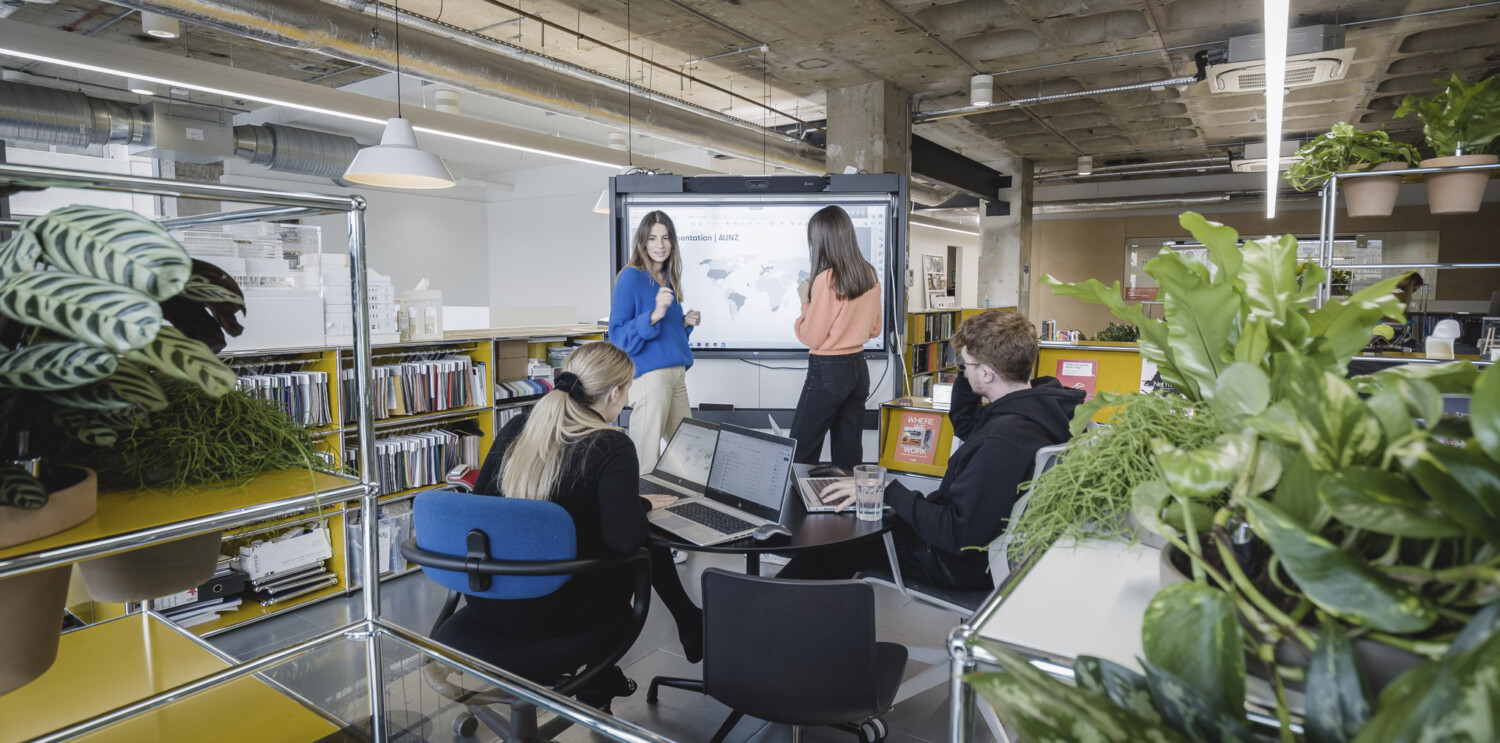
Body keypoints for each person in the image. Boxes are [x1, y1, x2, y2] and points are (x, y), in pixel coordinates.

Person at [777, 311, 1084, 590]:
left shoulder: (1002, 442)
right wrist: (970, 367)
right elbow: (966, 422)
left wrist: (888, 492)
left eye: (966, 364)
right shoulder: (1035, 407)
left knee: (836, 544)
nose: (962, 370)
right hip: (977, 544)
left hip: (956, 561)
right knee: (850, 525)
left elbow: (958, 534)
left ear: (988, 374)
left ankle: (766, 613)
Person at [470, 343, 705, 705]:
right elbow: (626, 541)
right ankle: (678, 627)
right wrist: (637, 507)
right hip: (552, 613)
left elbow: (480, 506)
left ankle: (610, 674)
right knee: (639, 544)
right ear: (613, 393)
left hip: (488, 600)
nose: (627, 400)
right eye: (627, 390)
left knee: (614, 526)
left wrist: (632, 504)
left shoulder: (519, 427)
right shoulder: (610, 445)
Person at [789, 205, 882, 470]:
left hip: (828, 370)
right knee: (848, 451)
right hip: (858, 368)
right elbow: (874, 329)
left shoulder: (826, 278)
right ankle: (849, 506)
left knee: (801, 449)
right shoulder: (869, 273)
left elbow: (812, 337)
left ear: (821, 240)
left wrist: (804, 301)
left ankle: (795, 508)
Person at [609, 211, 701, 474]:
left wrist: (684, 323)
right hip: (650, 378)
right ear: (642, 242)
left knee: (690, 451)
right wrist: (655, 314)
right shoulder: (630, 277)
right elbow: (618, 337)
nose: (659, 245)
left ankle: (691, 508)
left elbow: (665, 337)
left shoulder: (668, 277)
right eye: (652, 238)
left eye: (665, 238)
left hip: (676, 375)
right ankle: (638, 510)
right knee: (646, 457)